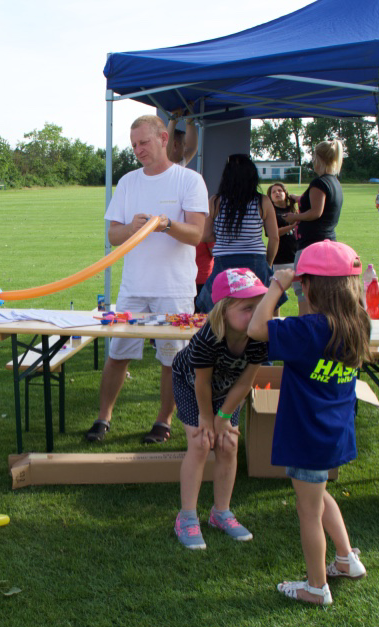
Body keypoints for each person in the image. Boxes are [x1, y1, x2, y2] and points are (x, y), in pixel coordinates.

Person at [247, 241, 371, 605]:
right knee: (317, 494)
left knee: (308, 512)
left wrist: (277, 285)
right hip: (333, 433)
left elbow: (256, 327)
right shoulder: (358, 322)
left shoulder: (307, 331)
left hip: (306, 435)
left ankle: (316, 587)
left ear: (311, 286)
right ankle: (346, 560)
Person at [85, 115, 208, 445]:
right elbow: (113, 235)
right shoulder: (128, 182)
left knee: (172, 359)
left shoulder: (189, 180)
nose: (138, 149)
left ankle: (162, 421)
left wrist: (165, 224)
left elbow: (196, 234)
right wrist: (131, 228)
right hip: (134, 288)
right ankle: (103, 417)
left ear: (164, 139)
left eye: (144, 142)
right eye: (134, 145)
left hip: (174, 289)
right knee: (118, 354)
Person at [171, 268, 268, 550]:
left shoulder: (261, 337)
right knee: (201, 443)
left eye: (260, 306)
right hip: (191, 384)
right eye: (247, 308)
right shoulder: (208, 338)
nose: (256, 314)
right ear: (224, 310)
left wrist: (223, 417)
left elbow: (246, 382)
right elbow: (201, 383)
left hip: (228, 390)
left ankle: (221, 512)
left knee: (228, 443)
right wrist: (207, 418)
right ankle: (186, 517)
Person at [194, 154, 279, 312]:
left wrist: (223, 236)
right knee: (259, 310)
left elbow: (205, 235)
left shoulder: (216, 201)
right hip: (255, 261)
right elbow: (274, 238)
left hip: (224, 262)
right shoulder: (263, 202)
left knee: (221, 310)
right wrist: (268, 262)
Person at [283, 140, 344, 314]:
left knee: (303, 290)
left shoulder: (319, 183)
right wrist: (299, 198)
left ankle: (305, 323)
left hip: (311, 245)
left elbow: (316, 212)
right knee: (321, 291)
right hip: (327, 242)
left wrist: (294, 217)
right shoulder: (334, 182)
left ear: (319, 158)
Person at [168, 113, 214, 287]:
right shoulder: (163, 166)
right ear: (174, 145)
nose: (185, 149)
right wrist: (172, 121)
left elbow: (193, 147)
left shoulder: (179, 166)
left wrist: (189, 121)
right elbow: (166, 150)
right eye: (182, 144)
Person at [267, 182, 298, 268]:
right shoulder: (270, 212)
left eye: (280, 190)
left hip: (297, 256)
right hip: (280, 259)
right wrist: (292, 226)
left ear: (285, 193)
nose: (277, 193)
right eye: (273, 192)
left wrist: (295, 198)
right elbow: (273, 233)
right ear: (270, 197)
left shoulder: (293, 209)